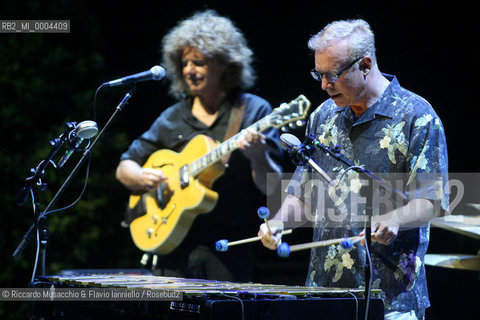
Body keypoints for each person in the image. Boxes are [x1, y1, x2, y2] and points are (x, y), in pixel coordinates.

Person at [259, 19, 448, 319]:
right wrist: (279, 222)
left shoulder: (417, 116)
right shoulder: (323, 116)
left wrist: (395, 218)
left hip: (391, 299)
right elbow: (305, 193)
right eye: (318, 75)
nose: (324, 85)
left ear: (366, 64)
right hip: (324, 295)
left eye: (332, 75)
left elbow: (432, 200)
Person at [116, 10, 282, 282]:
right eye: (184, 63)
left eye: (199, 63)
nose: (189, 70)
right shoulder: (172, 117)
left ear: (225, 63)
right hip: (169, 248)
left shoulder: (253, 111)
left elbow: (273, 189)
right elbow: (125, 167)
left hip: (227, 252)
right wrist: (139, 176)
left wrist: (258, 155)